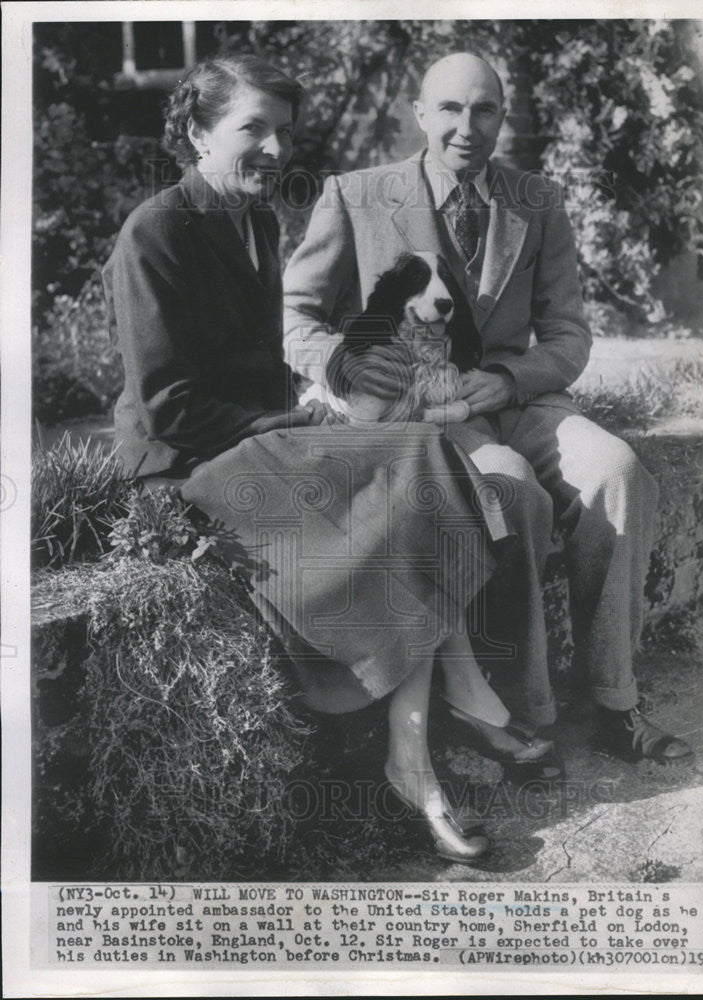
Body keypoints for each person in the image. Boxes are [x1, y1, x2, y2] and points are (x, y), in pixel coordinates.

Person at [102, 53, 555, 867]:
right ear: (198, 132)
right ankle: (446, 720)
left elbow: (278, 351)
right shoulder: (156, 230)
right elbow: (168, 406)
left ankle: (412, 752)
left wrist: (334, 390)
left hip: (257, 438)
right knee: (401, 465)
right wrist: (301, 418)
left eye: (282, 133)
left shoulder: (249, 219)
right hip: (185, 463)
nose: (274, 151)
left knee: (414, 454)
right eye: (252, 130)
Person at [282, 51, 694, 765]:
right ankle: (520, 709)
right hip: (419, 417)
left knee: (618, 471)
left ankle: (613, 702)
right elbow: (293, 316)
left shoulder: (537, 200)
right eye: (448, 109)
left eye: (483, 110)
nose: (464, 127)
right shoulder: (355, 195)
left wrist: (509, 380)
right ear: (418, 113)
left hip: (513, 399)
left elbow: (566, 331)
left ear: (502, 117)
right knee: (511, 489)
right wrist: (352, 367)